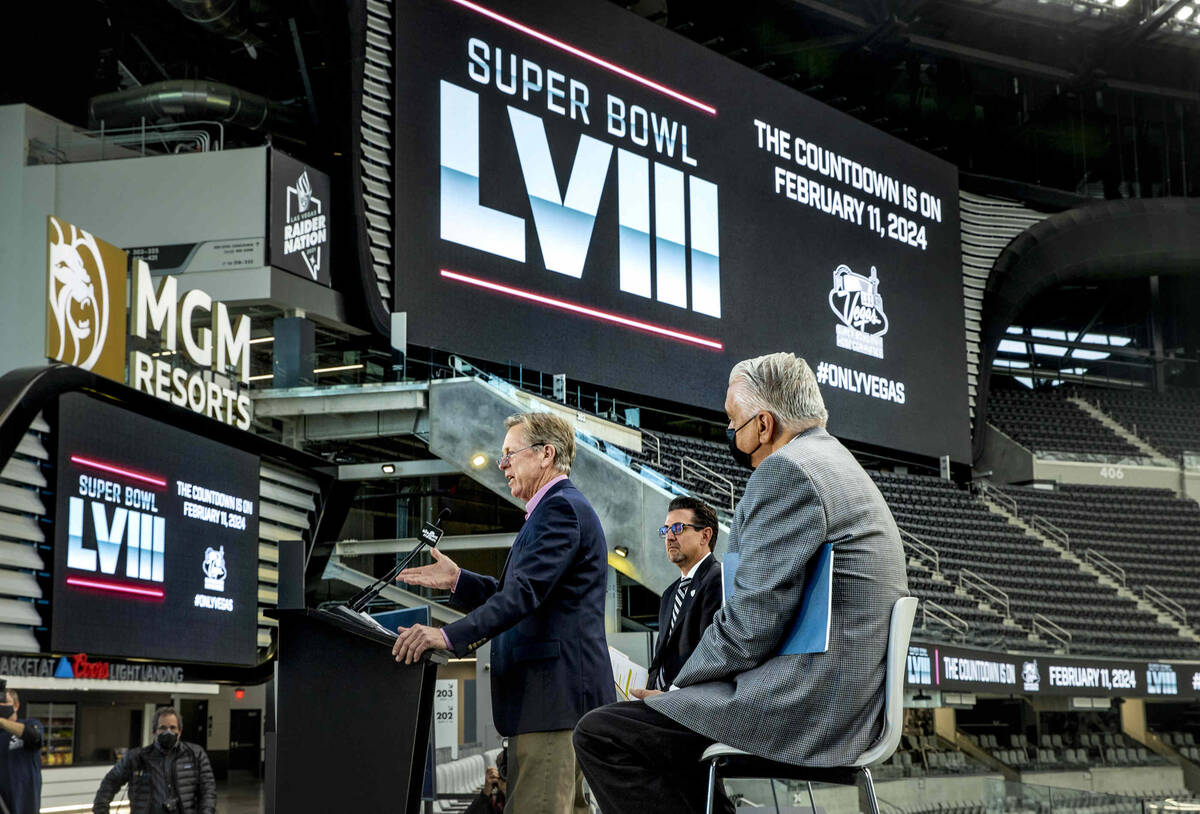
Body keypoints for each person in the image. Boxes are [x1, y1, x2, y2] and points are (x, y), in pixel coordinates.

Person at [574, 352, 909, 814]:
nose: (731, 435)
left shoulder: (787, 471)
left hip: (806, 705)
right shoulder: (835, 461)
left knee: (600, 733)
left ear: (765, 425)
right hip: (842, 698)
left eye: (734, 423)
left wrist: (677, 690)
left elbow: (752, 622)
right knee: (661, 737)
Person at [393, 412, 614, 814]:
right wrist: (458, 580)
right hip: (556, 706)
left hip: (552, 705)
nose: (503, 464)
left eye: (511, 453)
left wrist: (446, 636)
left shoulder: (560, 510)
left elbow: (523, 595)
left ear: (546, 454)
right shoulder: (556, 510)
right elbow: (521, 594)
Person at [645, 496, 723, 691]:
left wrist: (669, 695)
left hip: (690, 701)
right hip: (660, 700)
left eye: (678, 528)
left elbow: (710, 655)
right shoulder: (669, 594)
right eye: (666, 530)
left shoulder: (719, 579)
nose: (670, 537)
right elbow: (659, 660)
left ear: (705, 536)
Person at [93, 706, 216, 814]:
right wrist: (101, 809)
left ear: (180, 731)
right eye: (163, 728)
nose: (168, 732)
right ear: (154, 731)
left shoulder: (195, 754)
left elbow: (208, 791)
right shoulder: (136, 758)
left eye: (173, 728)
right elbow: (110, 782)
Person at [0, 687, 44, 814]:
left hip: (25, 806)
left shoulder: (31, 724)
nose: (1, 706)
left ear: (16, 705)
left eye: (4, 702)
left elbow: (34, 736)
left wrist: (2, 722)